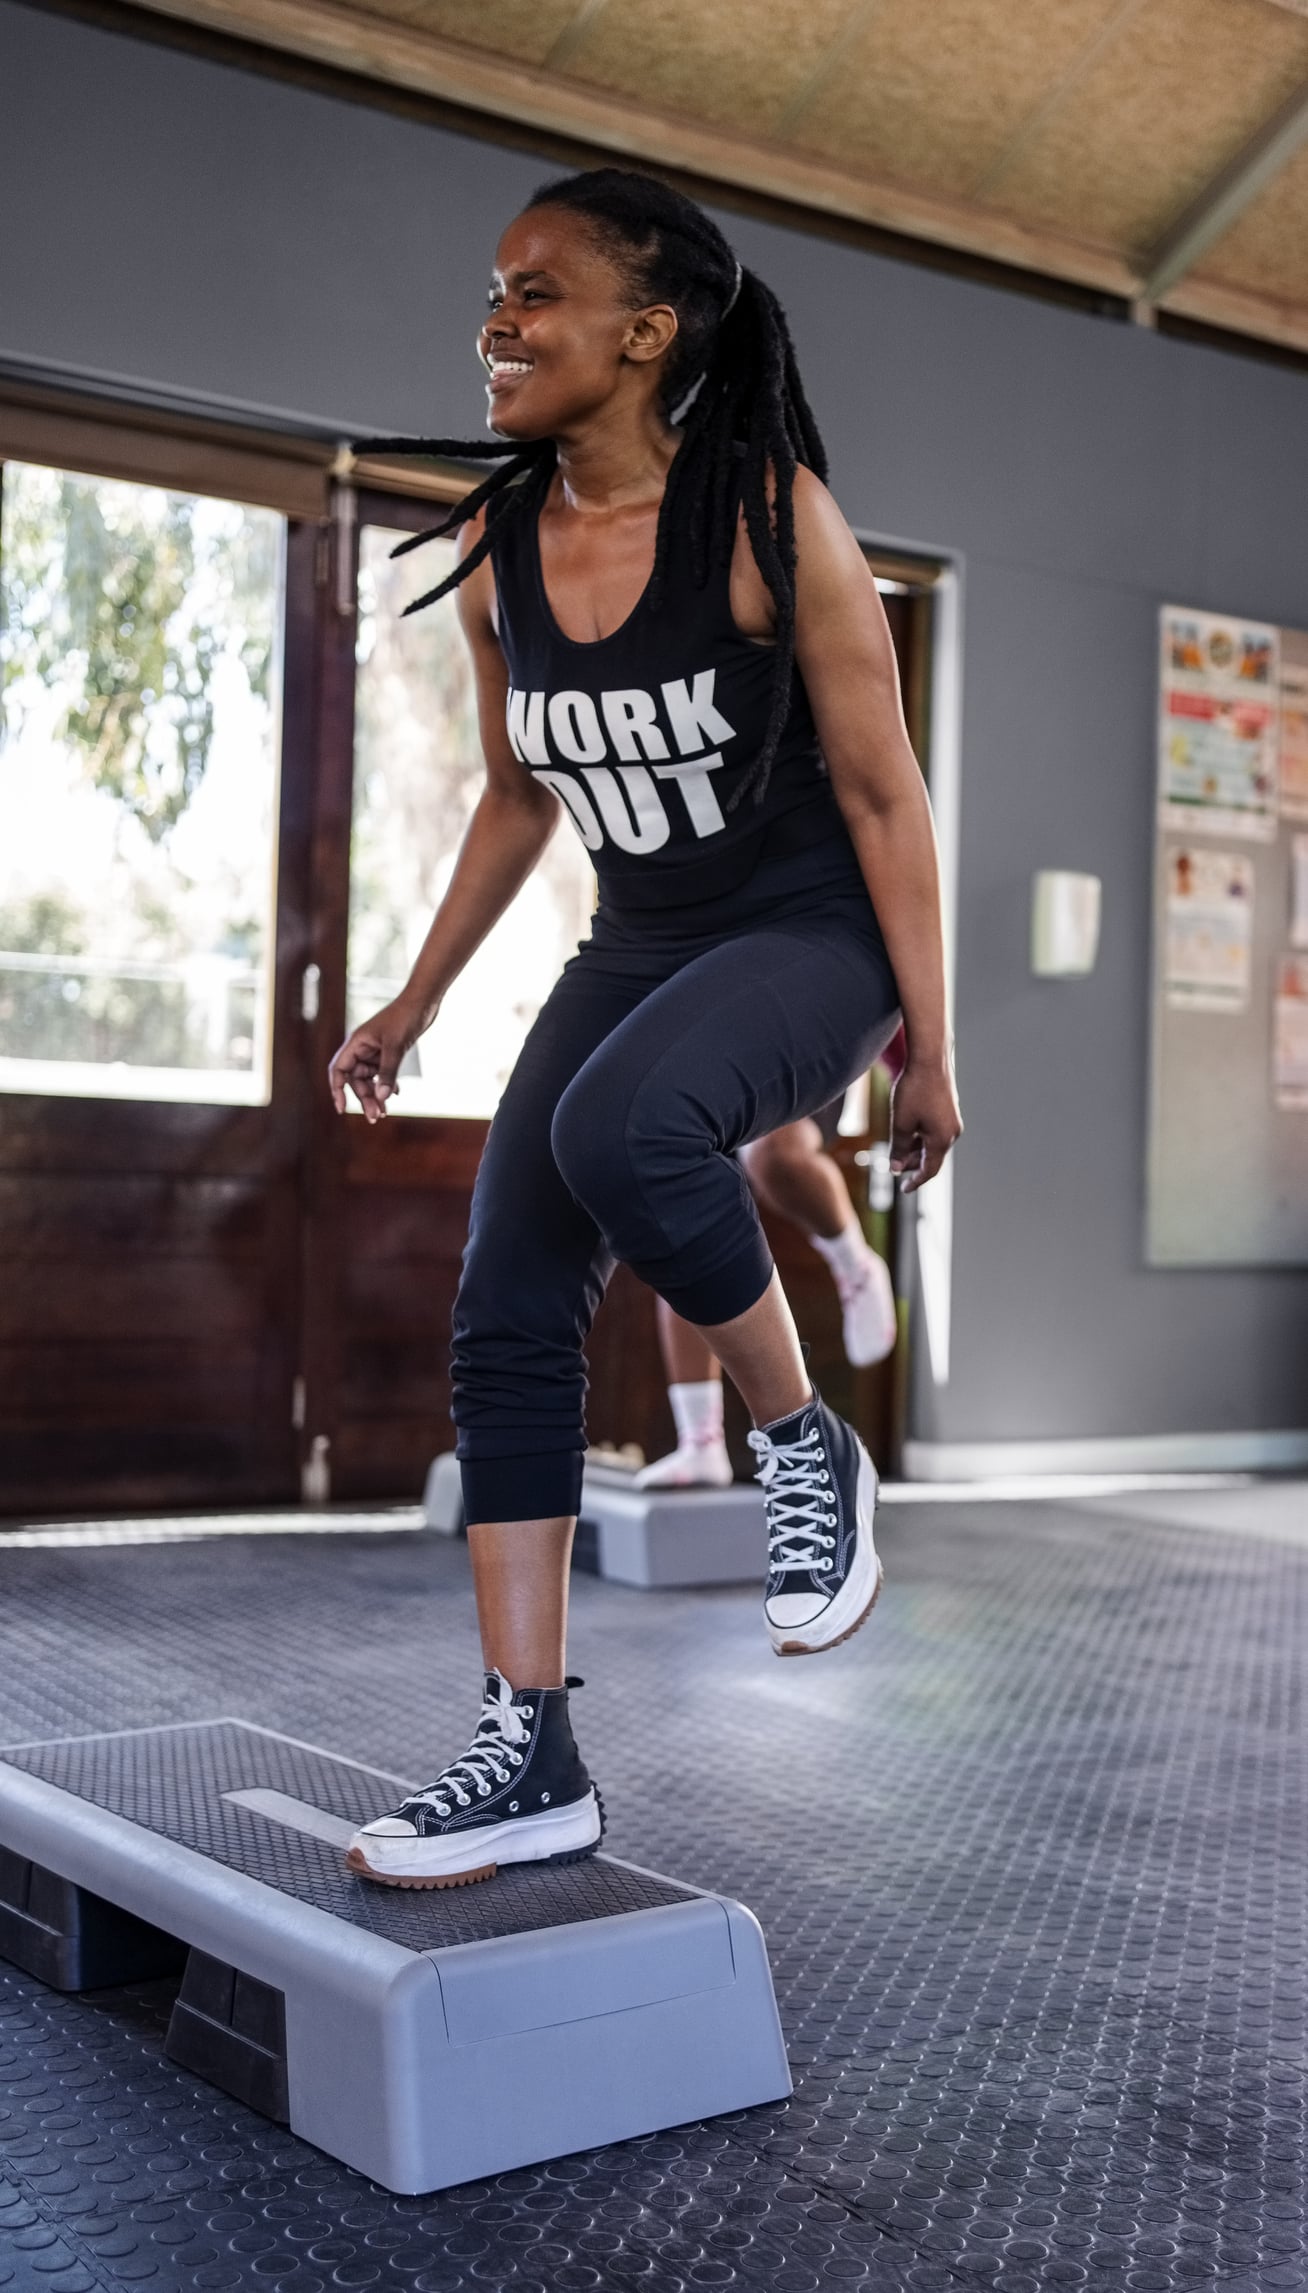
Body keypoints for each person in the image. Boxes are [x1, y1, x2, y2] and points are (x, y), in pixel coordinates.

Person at [328, 169, 962, 1889]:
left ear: (644, 331)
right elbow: (519, 796)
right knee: (506, 1290)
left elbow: (885, 795)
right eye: (491, 289)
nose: (498, 320)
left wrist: (927, 1039)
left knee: (623, 1128)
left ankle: (797, 1438)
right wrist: (413, 993)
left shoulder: (770, 519)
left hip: (812, 935)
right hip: (642, 938)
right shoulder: (493, 549)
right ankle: (528, 1744)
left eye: (537, 292)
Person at [636, 1089, 899, 1491]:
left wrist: (919, 1070)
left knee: (773, 1154)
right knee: (681, 1224)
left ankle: (855, 1266)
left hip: (791, 1039)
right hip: (698, 1047)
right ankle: (700, 1442)